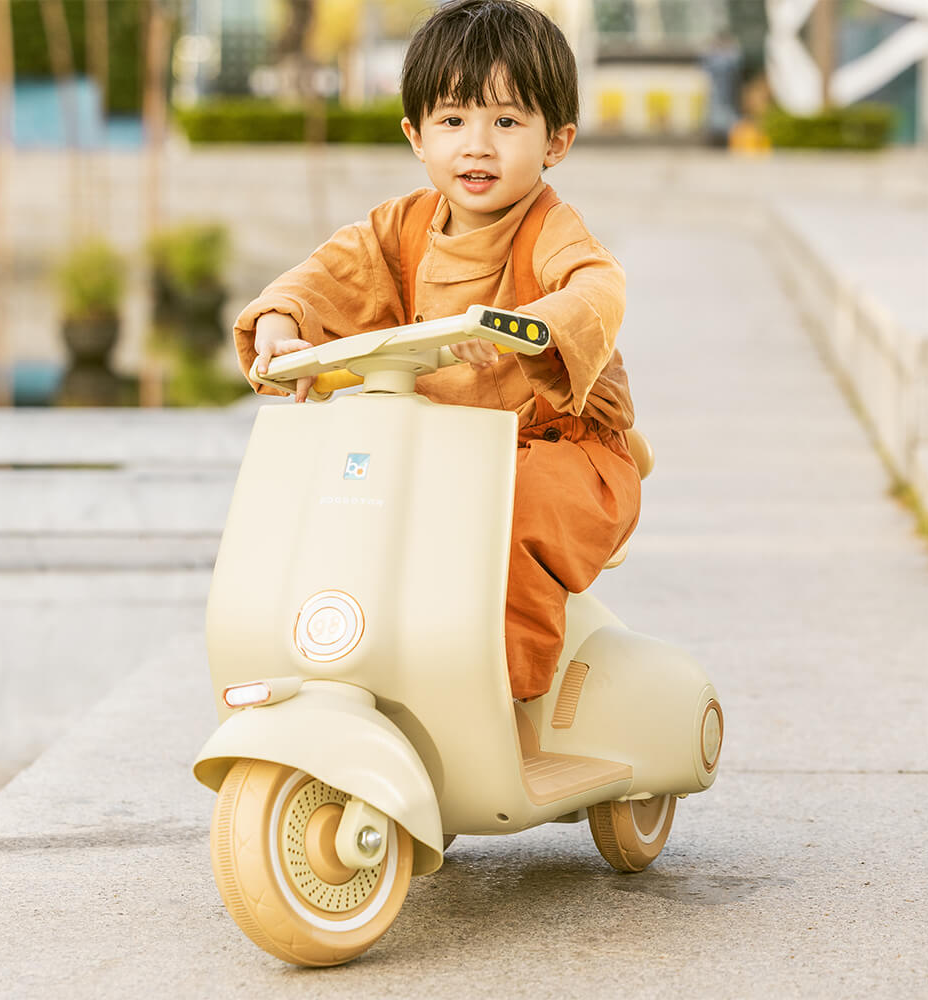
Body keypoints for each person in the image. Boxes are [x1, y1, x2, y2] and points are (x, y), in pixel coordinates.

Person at [233, 0, 640, 702]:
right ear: (417, 136)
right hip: (444, 451)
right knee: (345, 505)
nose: (477, 146)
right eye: (453, 121)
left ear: (557, 141)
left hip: (560, 448)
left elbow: (596, 288)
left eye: (506, 122)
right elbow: (329, 274)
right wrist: (281, 319)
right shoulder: (402, 228)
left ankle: (497, 688)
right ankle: (355, 657)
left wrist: (532, 326)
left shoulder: (548, 230)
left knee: (512, 520)